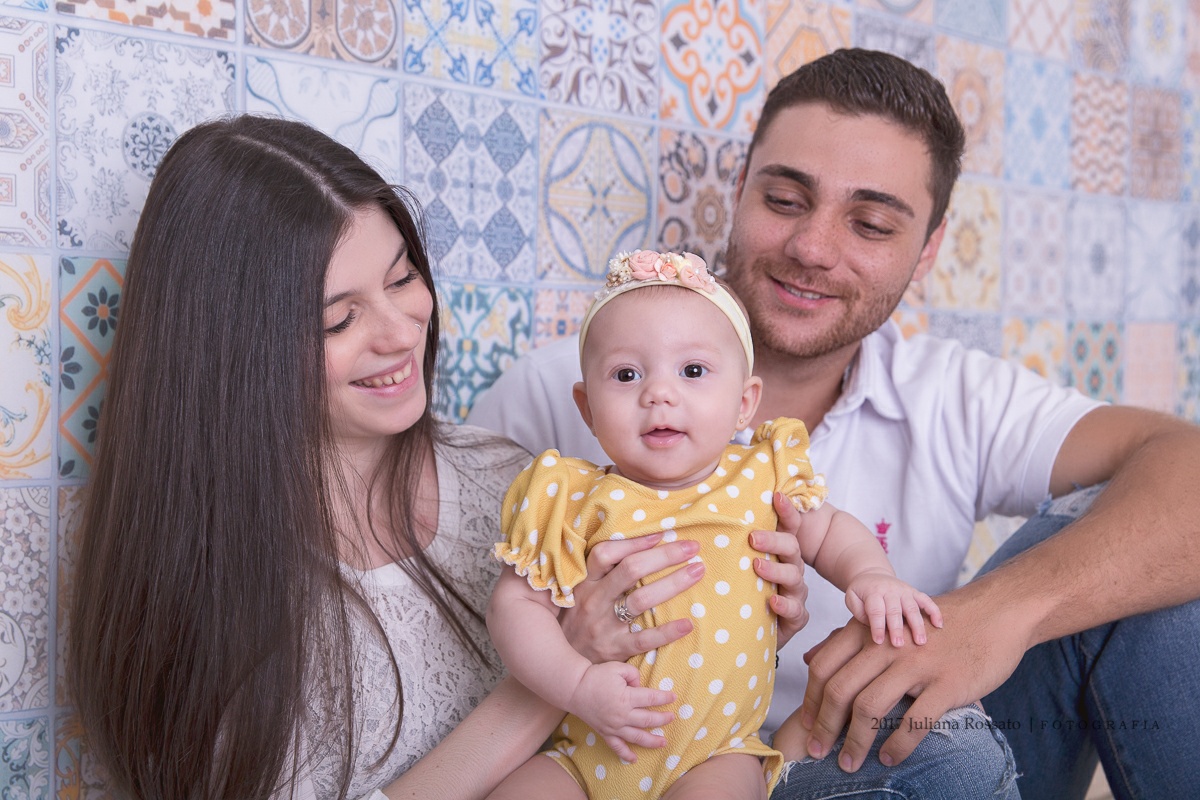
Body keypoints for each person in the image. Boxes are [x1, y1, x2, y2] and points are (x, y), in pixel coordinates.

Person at [468, 48, 1200, 799]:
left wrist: (993, 618)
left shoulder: (950, 395)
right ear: (740, 192)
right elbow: (457, 657)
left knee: (1145, 554)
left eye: (871, 224)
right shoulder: (552, 400)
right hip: (603, 745)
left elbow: (1188, 468)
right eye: (785, 201)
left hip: (786, 756)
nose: (813, 249)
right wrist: (571, 648)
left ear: (929, 248)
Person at [485, 250, 942, 800]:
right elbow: (514, 608)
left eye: (693, 371)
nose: (659, 393)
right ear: (587, 408)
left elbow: (829, 531)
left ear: (745, 403)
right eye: (626, 375)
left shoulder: (762, 477)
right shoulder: (572, 498)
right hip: (585, 754)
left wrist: (872, 576)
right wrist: (577, 683)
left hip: (716, 752)